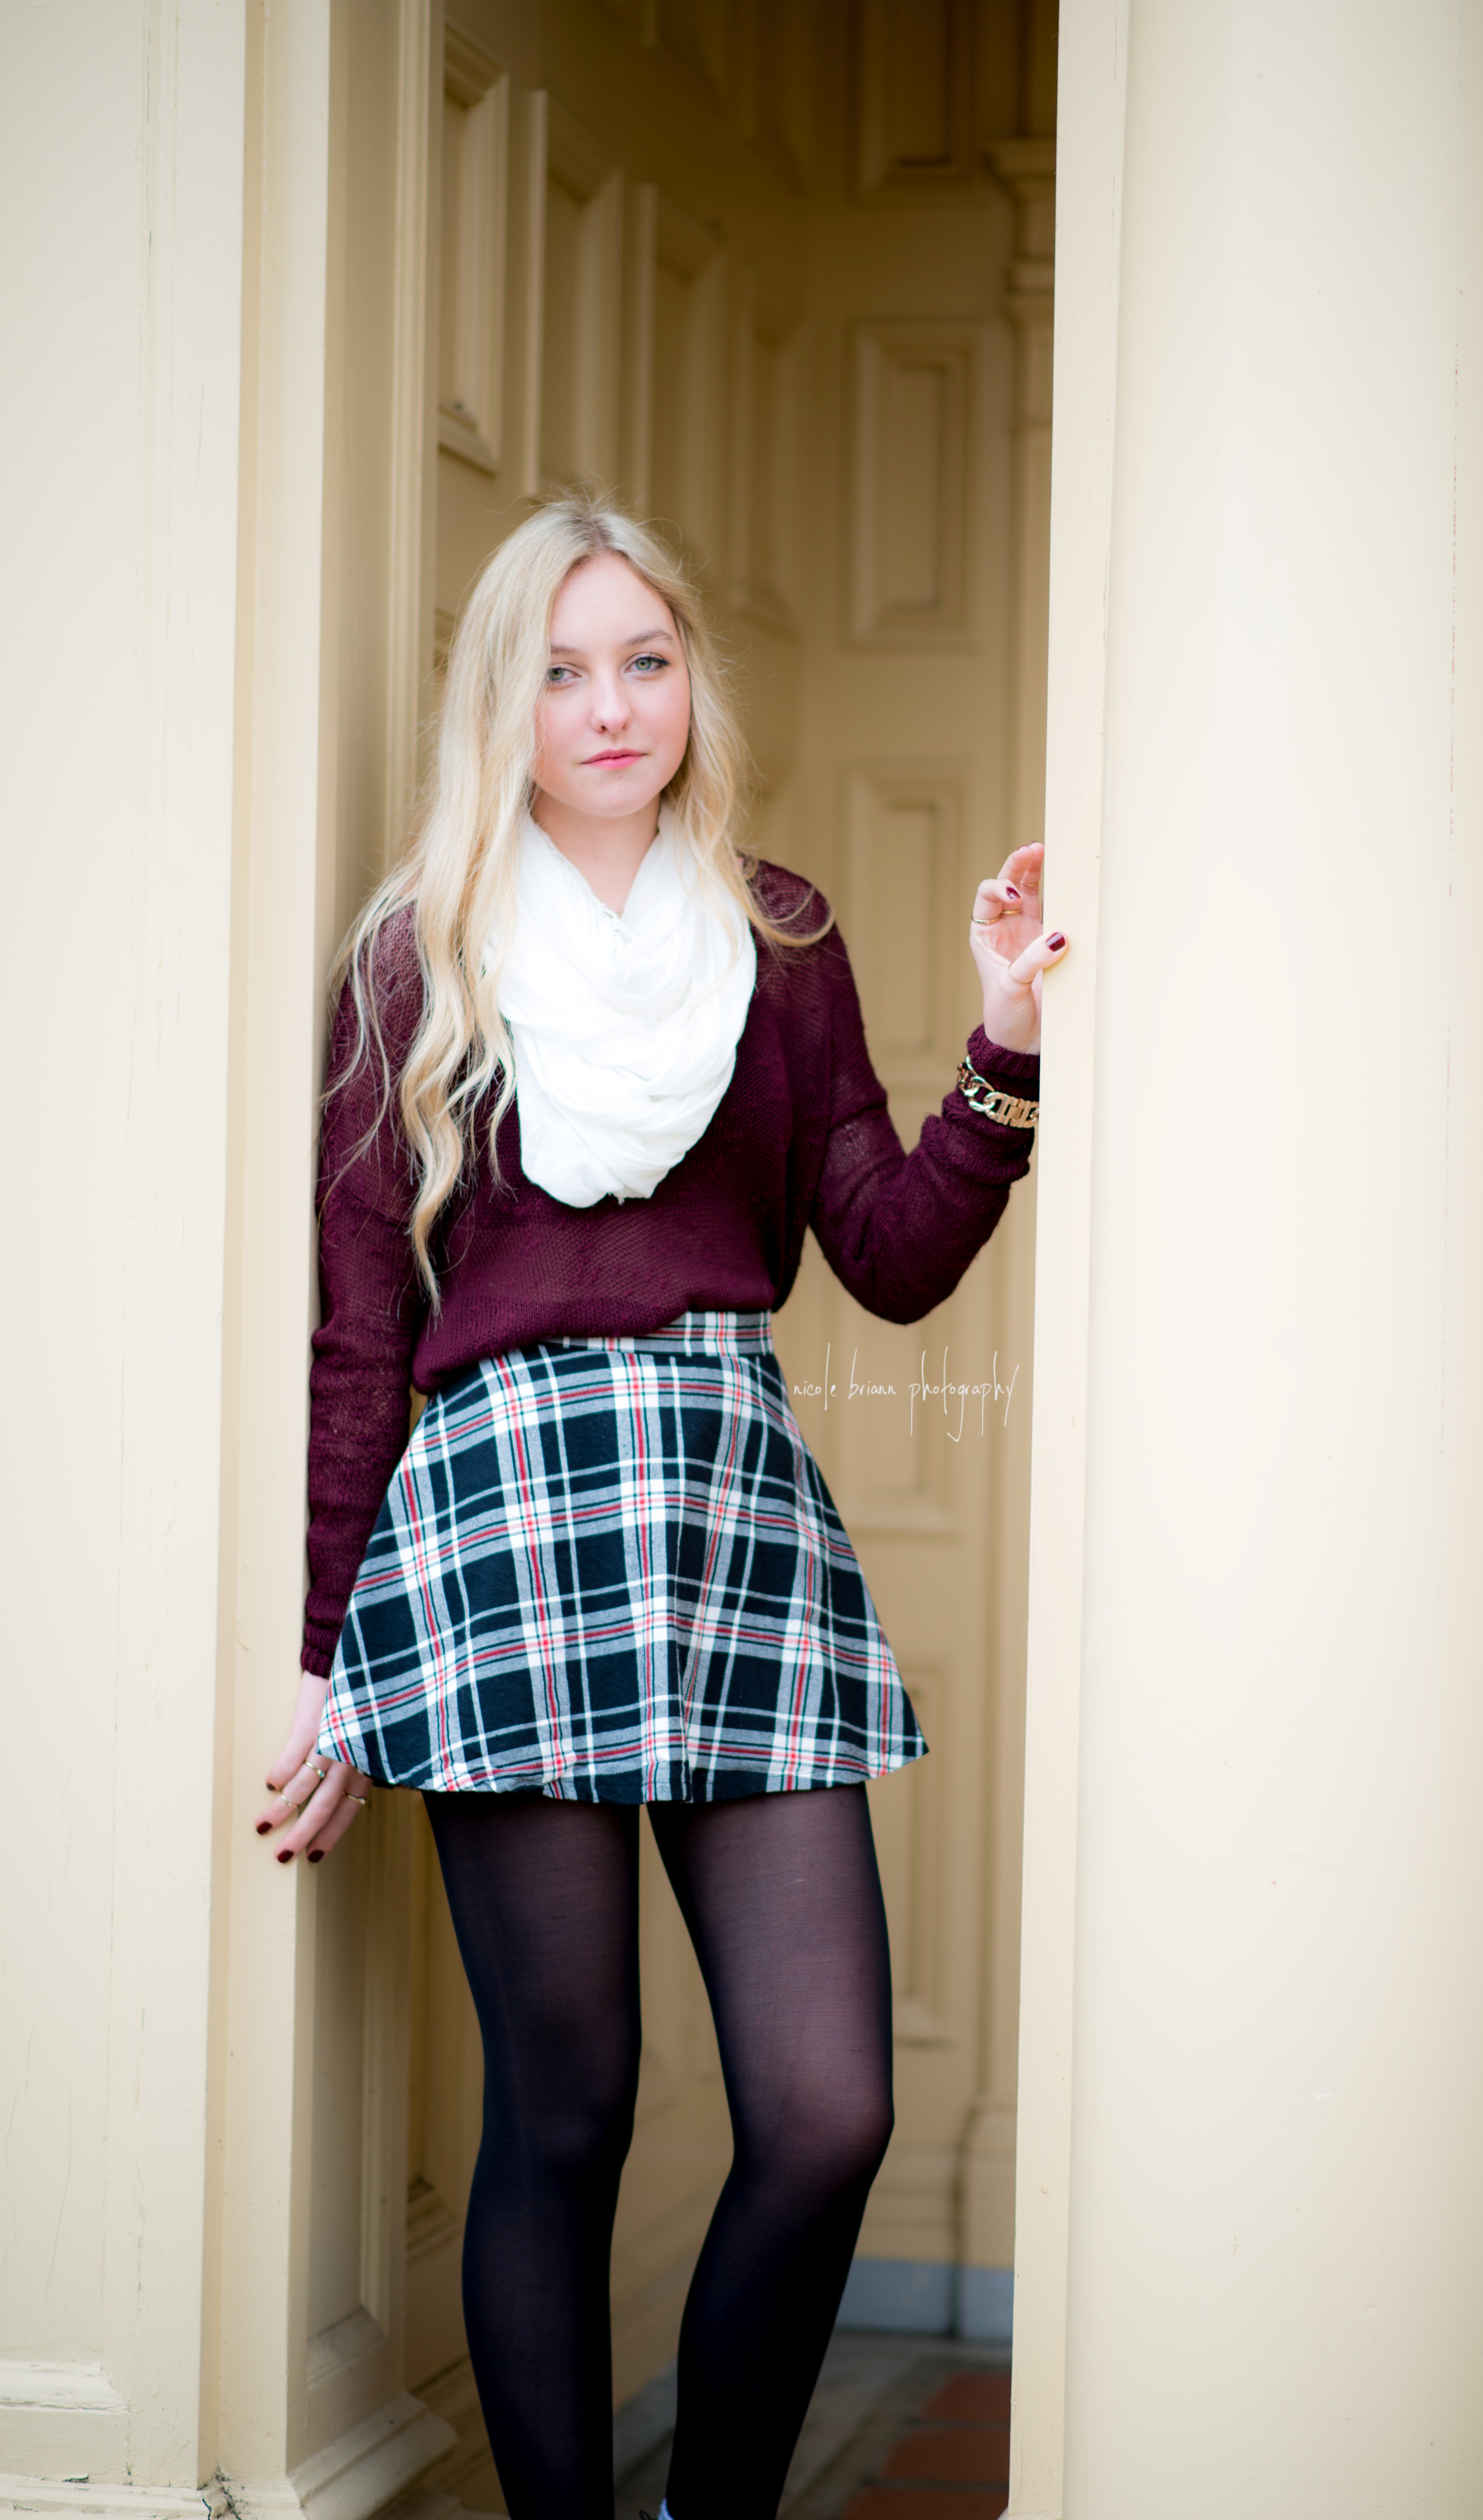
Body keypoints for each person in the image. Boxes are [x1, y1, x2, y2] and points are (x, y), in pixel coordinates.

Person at [254, 490, 1066, 2520]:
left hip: (734, 1513)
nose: (611, 707)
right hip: (501, 1524)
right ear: (502, 705)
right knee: (570, 2113)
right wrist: (328, 1657)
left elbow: (889, 1253)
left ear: (692, 677)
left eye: (645, 659)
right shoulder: (415, 961)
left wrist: (1006, 1047)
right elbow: (361, 1338)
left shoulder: (778, 941)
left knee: (827, 2105)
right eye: (561, 672)